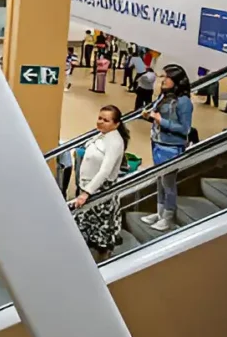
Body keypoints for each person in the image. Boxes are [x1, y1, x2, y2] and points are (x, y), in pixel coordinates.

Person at [73, 105, 129, 261]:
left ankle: (100, 264)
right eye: (100, 118)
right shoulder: (101, 135)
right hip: (88, 187)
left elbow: (105, 171)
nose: (101, 122)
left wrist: (86, 193)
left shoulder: (115, 142)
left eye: (106, 120)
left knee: (100, 235)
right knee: (86, 228)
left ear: (116, 124)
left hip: (99, 192)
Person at [141, 64, 193, 231]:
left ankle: (169, 216)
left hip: (171, 147)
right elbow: (158, 117)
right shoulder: (163, 97)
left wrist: (160, 120)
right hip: (157, 143)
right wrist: (150, 117)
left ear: (176, 80)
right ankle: (160, 212)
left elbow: (185, 129)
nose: (162, 80)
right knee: (159, 180)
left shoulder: (184, 103)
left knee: (168, 183)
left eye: (166, 77)